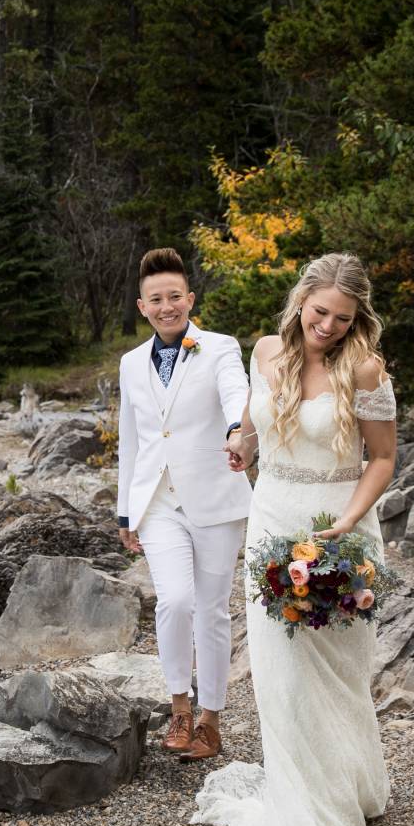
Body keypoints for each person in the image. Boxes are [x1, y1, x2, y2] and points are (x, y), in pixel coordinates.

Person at [192, 252, 396, 826]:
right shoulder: (264, 352)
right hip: (272, 513)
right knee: (280, 674)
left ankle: (349, 790)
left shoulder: (365, 369)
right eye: (319, 312)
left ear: (357, 318)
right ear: (301, 300)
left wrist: (345, 523)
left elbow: (382, 459)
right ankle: (301, 802)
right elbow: (256, 431)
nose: (327, 326)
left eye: (341, 317)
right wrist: (240, 443)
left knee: (336, 671)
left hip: (338, 526)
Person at [115, 248, 253, 762]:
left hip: (216, 497)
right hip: (157, 502)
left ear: (189, 299)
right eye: (157, 299)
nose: (167, 305)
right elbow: (131, 439)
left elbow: (236, 391)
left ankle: (211, 721)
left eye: (175, 296)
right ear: (142, 306)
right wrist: (126, 510)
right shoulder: (130, 364)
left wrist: (239, 430)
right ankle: (178, 707)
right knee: (174, 600)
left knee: (213, 612)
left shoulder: (219, 347)